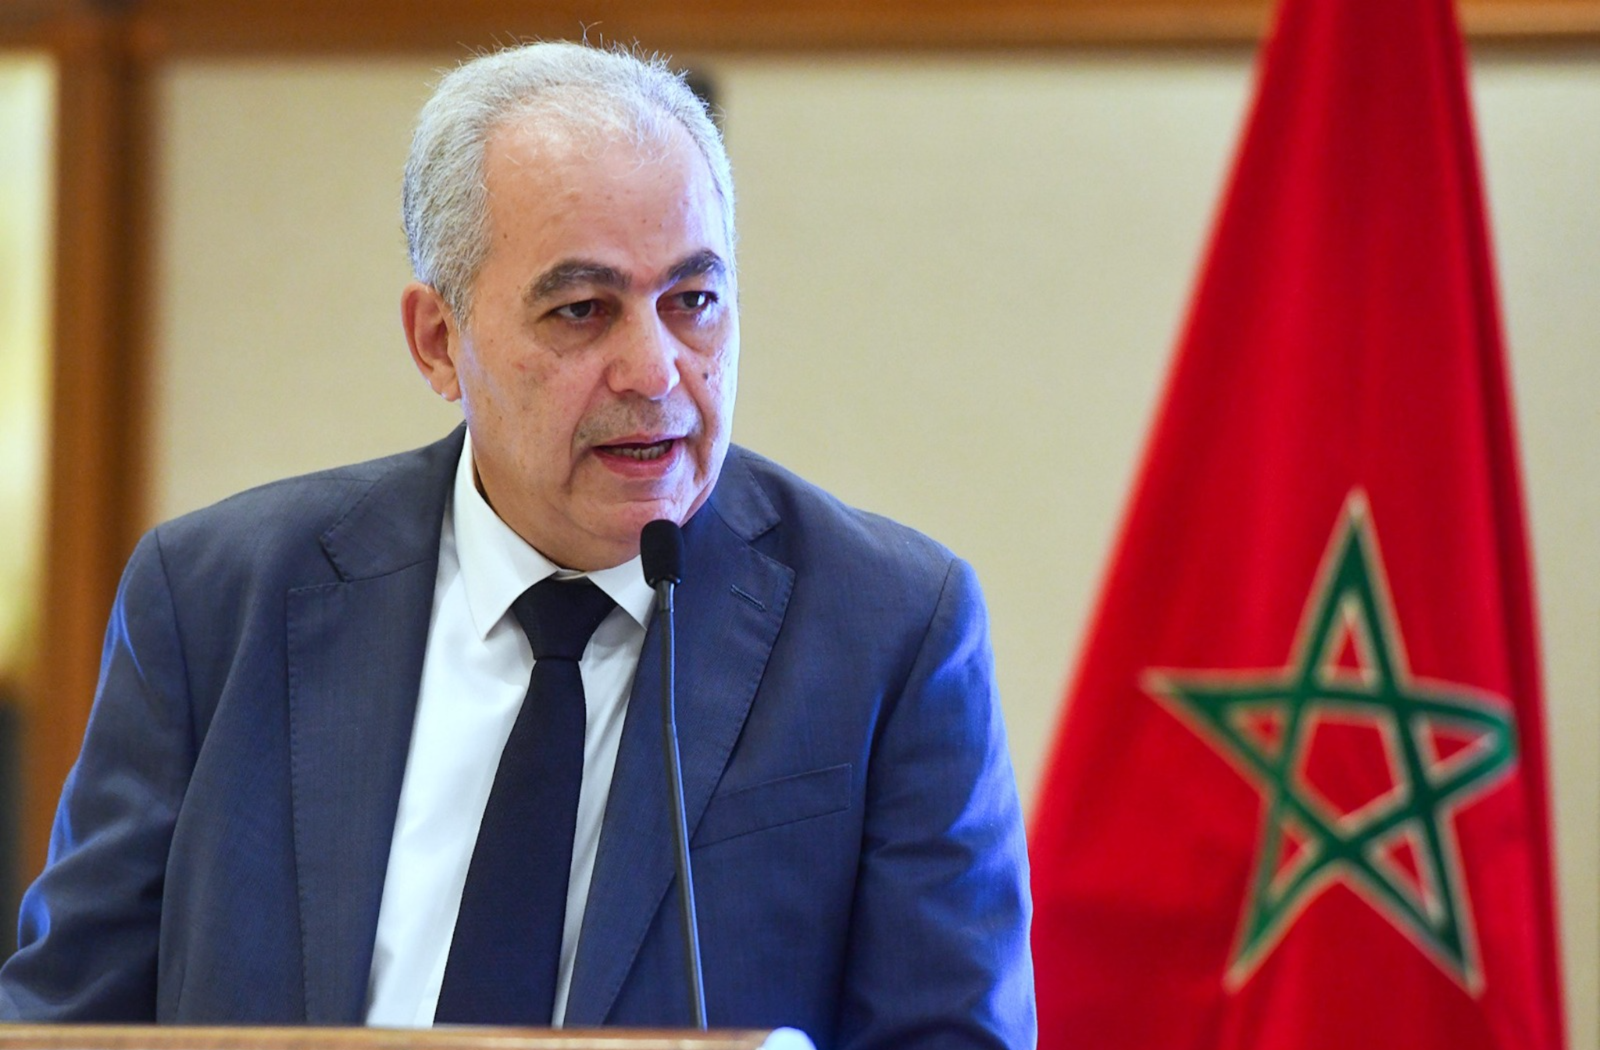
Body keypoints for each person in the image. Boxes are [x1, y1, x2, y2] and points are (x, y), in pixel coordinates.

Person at [0, 42, 1034, 1048]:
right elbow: (66, 1022)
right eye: (582, 310)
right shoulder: (216, 601)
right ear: (438, 342)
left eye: (693, 302)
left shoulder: (888, 628)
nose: (655, 371)